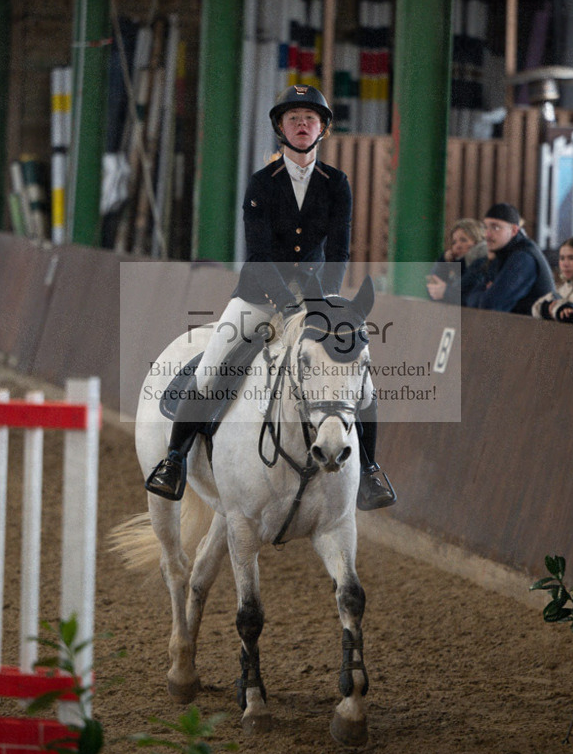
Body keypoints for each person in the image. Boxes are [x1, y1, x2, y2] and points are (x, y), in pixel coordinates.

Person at [145, 83, 396, 510]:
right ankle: (174, 459)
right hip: (258, 296)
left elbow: (339, 250)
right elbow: (259, 254)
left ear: (323, 129)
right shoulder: (262, 183)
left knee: (363, 383)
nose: (302, 125)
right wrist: (287, 305)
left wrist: (326, 302)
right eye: (294, 118)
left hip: (317, 298)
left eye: (310, 119)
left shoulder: (337, 183)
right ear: (281, 128)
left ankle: (370, 471)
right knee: (210, 369)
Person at [461, 202, 555, 314]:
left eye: (495, 227)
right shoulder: (502, 254)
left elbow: (491, 305)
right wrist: (484, 294)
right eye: (486, 227)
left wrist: (485, 293)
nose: (487, 234)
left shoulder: (524, 257)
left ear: (514, 230)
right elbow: (468, 299)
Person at [531, 236, 573, 319]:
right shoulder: (566, 286)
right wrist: (549, 308)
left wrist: (555, 308)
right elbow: (536, 308)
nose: (565, 264)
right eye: (562, 258)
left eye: (572, 258)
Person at [426, 218, 486, 303]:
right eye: (454, 242)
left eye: (463, 240)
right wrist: (444, 261)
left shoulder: (482, 263)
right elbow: (432, 290)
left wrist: (445, 292)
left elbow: (465, 296)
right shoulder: (457, 265)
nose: (457, 246)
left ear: (477, 241)